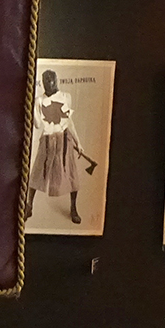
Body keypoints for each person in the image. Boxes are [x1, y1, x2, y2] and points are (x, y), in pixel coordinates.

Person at [29, 69, 98, 225]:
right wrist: (33, 107)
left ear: (56, 81)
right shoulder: (39, 100)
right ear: (43, 83)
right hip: (47, 139)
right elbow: (38, 125)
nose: (50, 84)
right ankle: (29, 206)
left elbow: (68, 122)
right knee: (37, 173)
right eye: (46, 81)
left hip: (65, 141)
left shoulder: (65, 97)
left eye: (52, 80)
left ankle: (73, 208)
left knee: (71, 175)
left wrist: (78, 142)